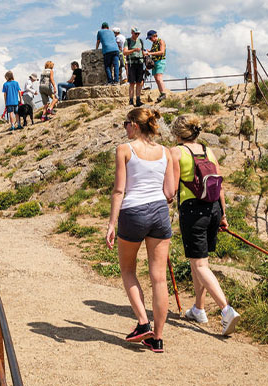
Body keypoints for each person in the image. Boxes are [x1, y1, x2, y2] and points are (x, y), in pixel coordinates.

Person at [106, 108, 177, 353]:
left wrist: (111, 223)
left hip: (133, 211)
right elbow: (170, 192)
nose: (124, 127)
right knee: (159, 278)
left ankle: (142, 322)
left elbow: (118, 190)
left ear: (135, 125)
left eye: (126, 123)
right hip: (158, 211)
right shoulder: (165, 152)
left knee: (127, 269)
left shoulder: (124, 149)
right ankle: (157, 338)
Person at [169, 114, 242, 336]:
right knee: (198, 262)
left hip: (193, 211)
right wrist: (223, 215)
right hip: (213, 210)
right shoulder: (208, 151)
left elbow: (171, 190)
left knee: (200, 265)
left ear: (177, 133)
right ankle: (199, 309)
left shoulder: (176, 152)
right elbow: (219, 185)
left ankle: (226, 310)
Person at [123, 28, 145, 107]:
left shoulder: (141, 41)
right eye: (136, 33)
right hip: (131, 63)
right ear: (132, 33)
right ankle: (131, 100)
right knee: (132, 82)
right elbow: (125, 52)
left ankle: (138, 99)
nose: (137, 35)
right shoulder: (127, 41)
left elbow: (142, 52)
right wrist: (134, 50)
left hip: (140, 63)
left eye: (138, 33)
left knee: (139, 82)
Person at [146, 30, 168, 101]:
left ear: (154, 36)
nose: (150, 40)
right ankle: (161, 93)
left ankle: (164, 93)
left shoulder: (161, 41)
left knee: (159, 77)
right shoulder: (154, 43)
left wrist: (150, 53)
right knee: (156, 78)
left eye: (150, 38)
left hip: (160, 61)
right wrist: (149, 51)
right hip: (154, 62)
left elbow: (161, 52)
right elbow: (154, 51)